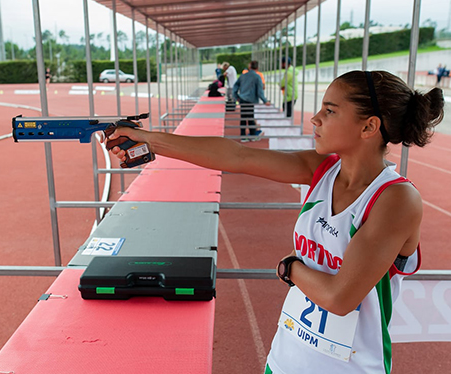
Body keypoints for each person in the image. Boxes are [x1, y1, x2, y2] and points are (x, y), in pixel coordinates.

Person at [104, 70, 444, 374]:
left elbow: (340, 298)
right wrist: (150, 140)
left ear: (369, 126)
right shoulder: (322, 169)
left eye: (329, 110)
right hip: (286, 358)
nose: (314, 118)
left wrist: (290, 268)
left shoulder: (396, 199)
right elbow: (236, 155)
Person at [233, 60, 271, 141]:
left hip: (242, 99)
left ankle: (243, 136)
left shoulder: (243, 76)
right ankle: (253, 135)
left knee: (243, 118)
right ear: (257, 67)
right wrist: (265, 101)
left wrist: (236, 97)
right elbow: (260, 91)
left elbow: (235, 86)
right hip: (251, 100)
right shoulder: (257, 77)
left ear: (249, 67)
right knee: (251, 117)